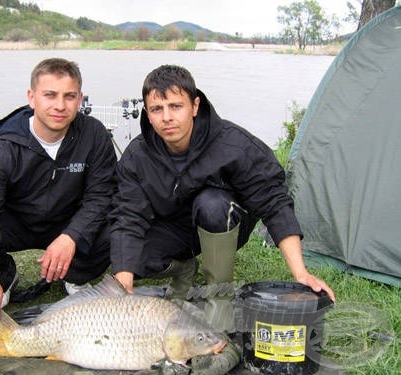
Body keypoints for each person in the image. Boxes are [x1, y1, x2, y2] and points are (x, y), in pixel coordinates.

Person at [109, 64, 335, 331]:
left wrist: (300, 273)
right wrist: (122, 282)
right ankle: (183, 269)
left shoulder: (233, 145)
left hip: (225, 222)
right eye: (157, 109)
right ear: (147, 113)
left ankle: (220, 302)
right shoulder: (137, 155)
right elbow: (128, 215)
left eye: (176, 106)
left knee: (212, 203)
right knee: (121, 253)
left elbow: (274, 204)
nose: (167, 117)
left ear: (194, 106)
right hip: (176, 228)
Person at [0, 58, 117, 320]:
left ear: (80, 99)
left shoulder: (94, 134)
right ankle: (2, 274)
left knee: (112, 222)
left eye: (69, 96)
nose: (60, 105)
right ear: (32, 97)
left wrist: (71, 236)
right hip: (17, 222)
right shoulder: (3, 148)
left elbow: (101, 195)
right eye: (50, 95)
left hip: (66, 220)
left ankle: (76, 276)